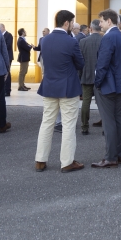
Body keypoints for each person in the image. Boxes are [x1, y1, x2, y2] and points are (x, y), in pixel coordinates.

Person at [34, 10, 85, 173]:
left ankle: (40, 160)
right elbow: (80, 63)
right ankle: (66, 162)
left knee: (47, 123)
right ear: (66, 23)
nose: (72, 25)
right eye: (72, 22)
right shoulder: (70, 41)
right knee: (69, 125)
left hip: (49, 86)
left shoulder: (45, 40)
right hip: (68, 88)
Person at [92, 9, 121, 168]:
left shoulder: (108, 37)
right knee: (118, 119)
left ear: (109, 21)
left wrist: (97, 82)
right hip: (119, 84)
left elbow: (103, 64)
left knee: (108, 122)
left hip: (107, 85)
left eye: (101, 21)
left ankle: (110, 157)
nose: (99, 24)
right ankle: (120, 155)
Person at [79, 19, 102, 135]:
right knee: (102, 102)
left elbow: (79, 60)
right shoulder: (104, 40)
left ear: (90, 28)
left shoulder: (83, 42)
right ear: (101, 28)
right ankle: (105, 126)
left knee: (86, 102)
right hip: (101, 77)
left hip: (86, 75)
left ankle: (84, 126)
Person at [0, 24, 14, 97]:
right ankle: (3, 89)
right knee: (2, 73)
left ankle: (7, 90)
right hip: (1, 57)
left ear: (3, 27)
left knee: (7, 72)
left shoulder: (8, 35)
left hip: (8, 57)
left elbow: (8, 45)